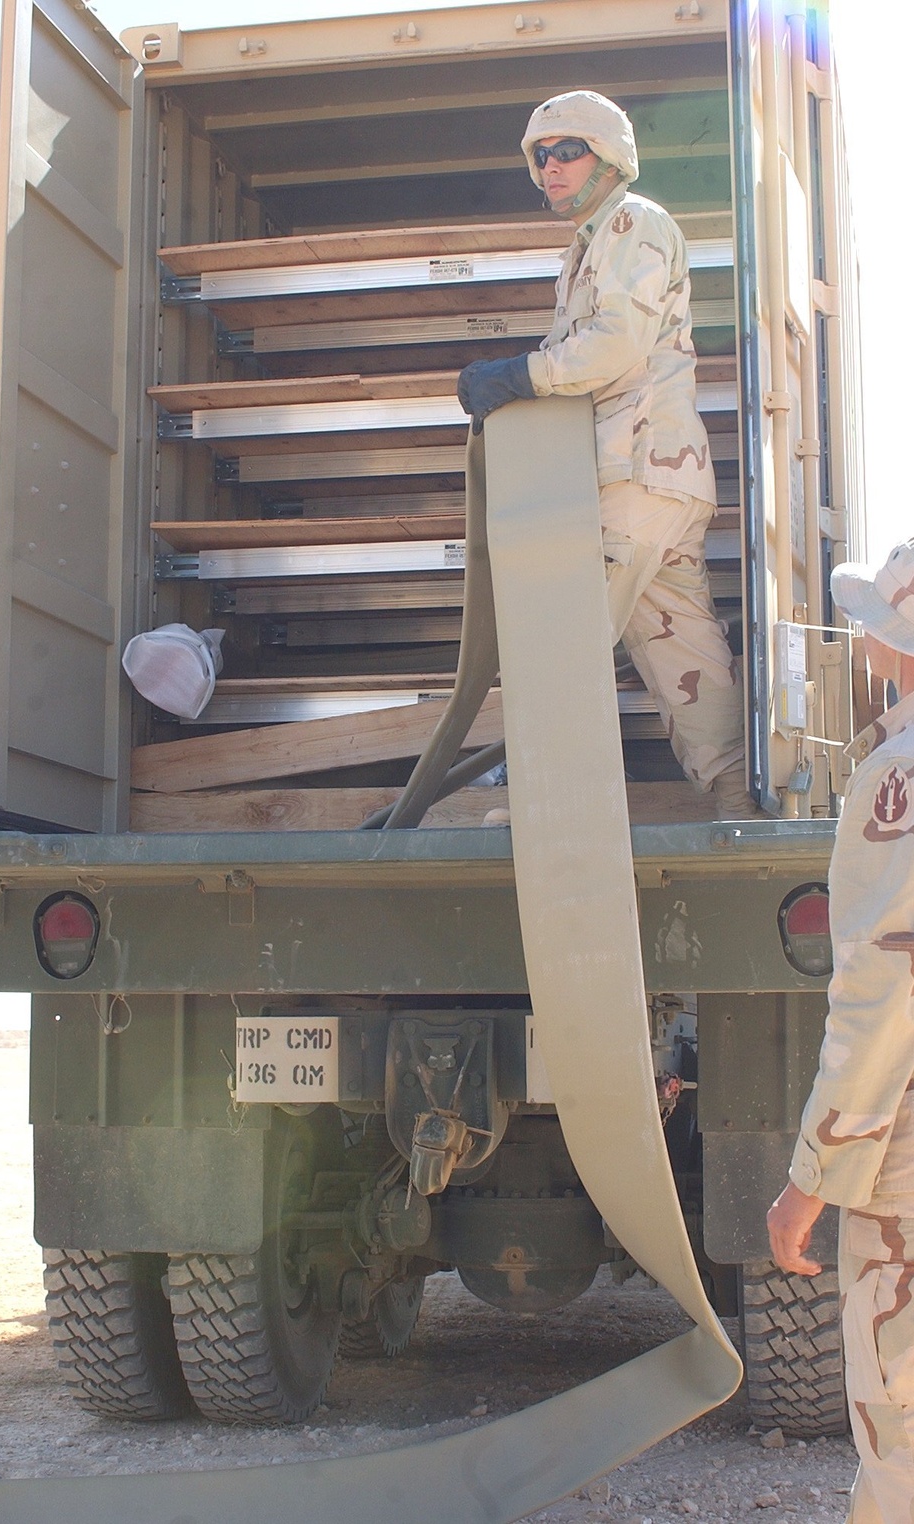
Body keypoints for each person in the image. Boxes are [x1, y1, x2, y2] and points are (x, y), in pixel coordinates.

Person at [456, 90, 755, 820]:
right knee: (683, 651)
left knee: (559, 633)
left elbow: (613, 348)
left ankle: (550, 810)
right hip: (659, 483)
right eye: (541, 155)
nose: (550, 168)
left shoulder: (632, 222)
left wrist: (518, 375)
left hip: (636, 474)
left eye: (568, 151)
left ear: (609, 158)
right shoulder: (592, 243)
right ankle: (739, 801)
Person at [767, 540, 914, 1523]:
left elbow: (882, 990)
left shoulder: (896, 778)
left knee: (899, 1440)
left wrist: (812, 1175)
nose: (858, 634)